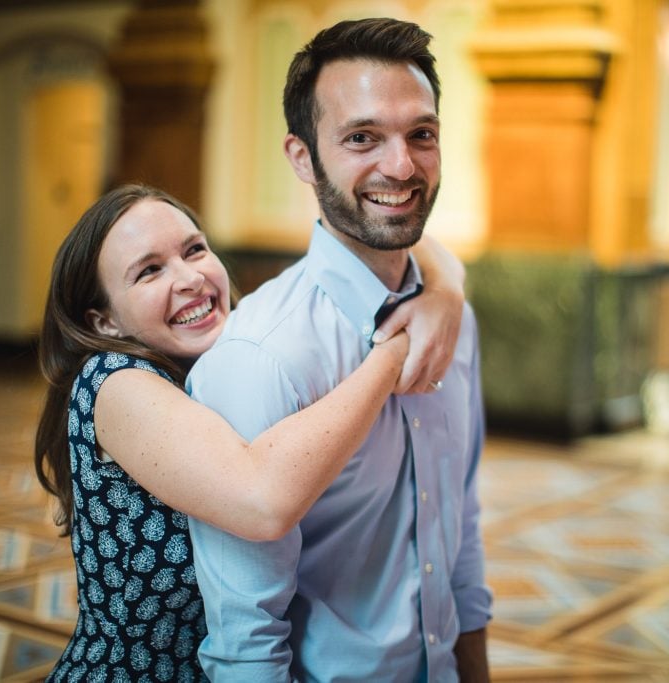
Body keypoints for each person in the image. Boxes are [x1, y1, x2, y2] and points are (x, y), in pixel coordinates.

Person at [33, 183, 467, 682]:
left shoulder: (232, 354)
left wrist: (443, 292)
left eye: (194, 249)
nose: (190, 277)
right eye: (150, 271)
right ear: (104, 320)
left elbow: (431, 250)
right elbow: (263, 501)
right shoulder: (113, 382)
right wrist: (396, 348)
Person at [186, 18, 491, 682]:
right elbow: (245, 639)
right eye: (362, 138)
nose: (401, 165)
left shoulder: (451, 320)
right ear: (302, 157)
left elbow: (460, 525)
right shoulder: (261, 355)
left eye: (422, 135)